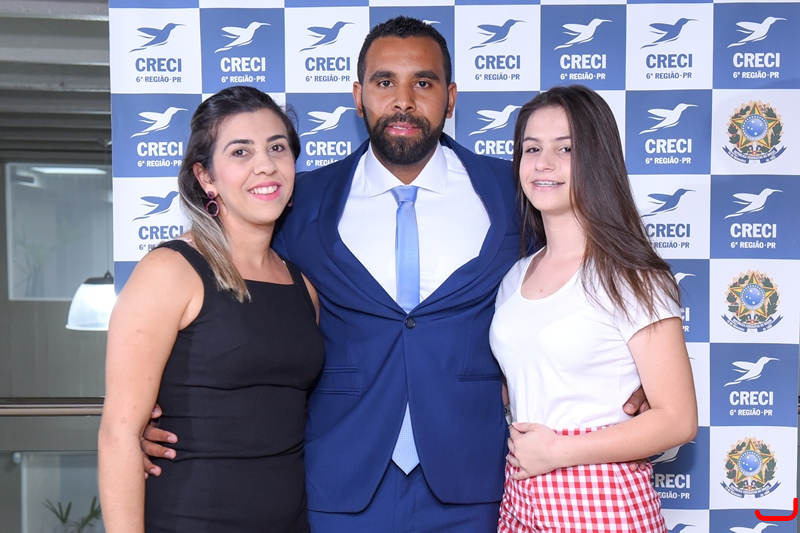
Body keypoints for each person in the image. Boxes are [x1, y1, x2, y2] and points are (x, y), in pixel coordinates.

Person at [140, 19, 650, 532]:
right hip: (337, 486)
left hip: (475, 485)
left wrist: (636, 380)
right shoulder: (298, 200)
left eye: (423, 83)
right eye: (385, 82)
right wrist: (152, 415)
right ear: (358, 97)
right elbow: (230, 309)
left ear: (451, 98)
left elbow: (593, 271)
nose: (403, 100)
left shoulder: (516, 190)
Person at [98, 86, 324, 532]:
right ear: (206, 177)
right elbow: (118, 435)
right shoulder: (170, 270)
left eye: (277, 147)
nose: (265, 164)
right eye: (240, 151)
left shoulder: (303, 287)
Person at [490, 85, 698, 532]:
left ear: (597, 159)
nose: (544, 163)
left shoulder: (632, 276)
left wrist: (557, 451)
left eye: (565, 149)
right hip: (523, 501)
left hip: (604, 503)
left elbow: (678, 420)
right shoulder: (515, 277)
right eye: (532, 149)